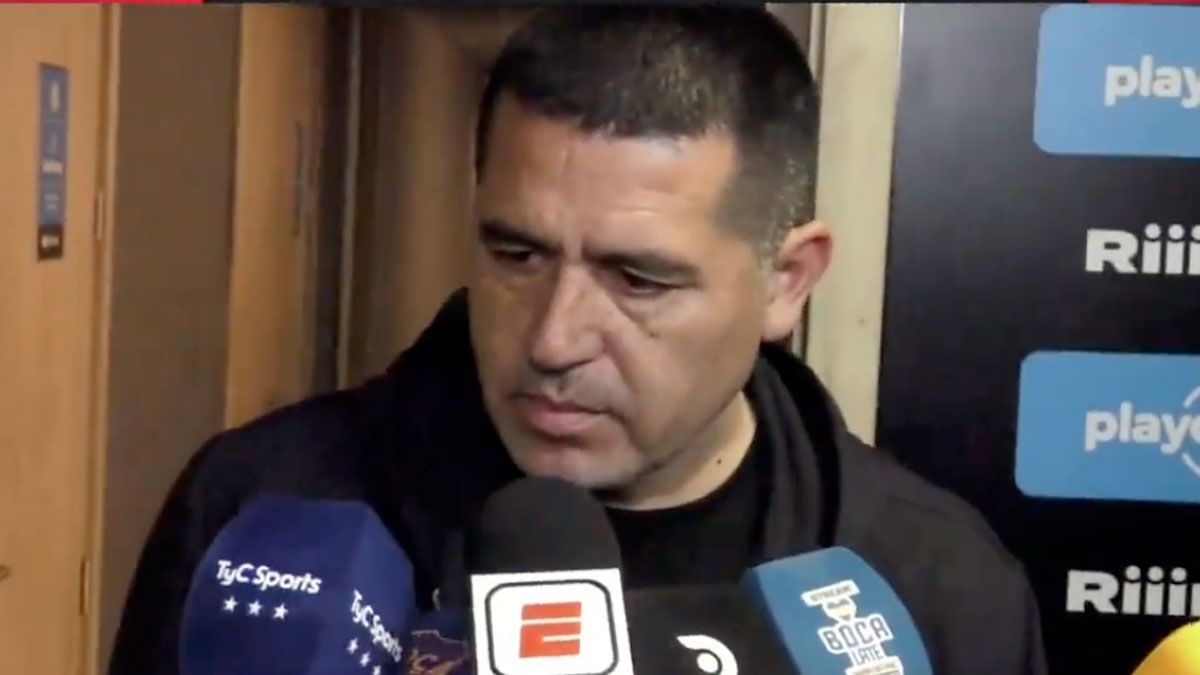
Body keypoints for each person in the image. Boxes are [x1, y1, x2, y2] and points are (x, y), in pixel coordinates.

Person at [109, 7, 1047, 674]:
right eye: (516, 254)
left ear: (786, 282)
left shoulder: (936, 590)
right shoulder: (257, 514)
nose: (554, 341)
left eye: (638, 279)